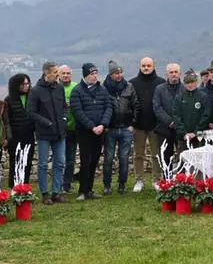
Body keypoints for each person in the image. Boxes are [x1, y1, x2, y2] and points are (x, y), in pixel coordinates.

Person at [70, 63, 112, 201]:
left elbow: (108, 107)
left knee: (94, 160)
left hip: (100, 131)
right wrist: (91, 126)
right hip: (85, 132)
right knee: (85, 161)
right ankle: (82, 190)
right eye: (92, 74)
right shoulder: (77, 91)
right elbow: (78, 111)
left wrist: (102, 124)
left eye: (96, 74)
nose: (94, 76)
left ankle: (90, 189)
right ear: (85, 75)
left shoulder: (102, 89)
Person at [27, 61, 68, 204]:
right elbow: (31, 112)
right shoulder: (36, 91)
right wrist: (47, 122)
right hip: (44, 133)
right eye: (55, 72)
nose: (58, 75)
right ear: (46, 73)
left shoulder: (59, 88)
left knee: (60, 163)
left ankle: (57, 191)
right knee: (43, 164)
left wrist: (64, 118)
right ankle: (45, 193)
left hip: (60, 132)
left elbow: (64, 106)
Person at [102, 61, 139, 195]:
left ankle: (122, 184)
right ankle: (107, 184)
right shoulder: (104, 88)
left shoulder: (129, 87)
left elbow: (136, 105)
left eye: (120, 72)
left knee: (124, 157)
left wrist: (133, 124)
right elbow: (102, 107)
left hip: (126, 128)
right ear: (110, 74)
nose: (119, 75)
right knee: (108, 158)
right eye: (116, 73)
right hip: (110, 128)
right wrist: (104, 125)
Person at [129, 57, 165, 192]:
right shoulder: (132, 83)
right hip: (138, 125)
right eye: (143, 65)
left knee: (156, 154)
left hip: (156, 125)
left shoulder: (161, 83)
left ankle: (156, 180)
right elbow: (130, 105)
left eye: (148, 65)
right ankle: (139, 180)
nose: (146, 68)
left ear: (153, 66)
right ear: (140, 66)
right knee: (138, 154)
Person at [4, 73, 35, 187]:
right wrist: (9, 137)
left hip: (29, 135)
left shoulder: (32, 97)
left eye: (27, 83)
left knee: (27, 162)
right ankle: (14, 186)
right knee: (15, 162)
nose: (26, 86)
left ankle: (25, 186)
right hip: (15, 137)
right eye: (23, 84)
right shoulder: (9, 100)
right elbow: (7, 121)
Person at [174, 69, 211, 153]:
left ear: (196, 82)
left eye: (192, 82)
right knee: (183, 162)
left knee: (200, 162)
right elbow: (176, 116)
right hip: (183, 138)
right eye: (187, 83)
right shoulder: (179, 98)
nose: (190, 85)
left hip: (199, 137)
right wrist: (184, 133)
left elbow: (206, 115)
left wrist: (196, 132)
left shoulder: (203, 96)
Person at [58, 65, 78, 194]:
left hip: (73, 128)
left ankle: (67, 184)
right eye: (63, 73)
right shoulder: (54, 87)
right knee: (59, 159)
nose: (65, 75)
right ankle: (57, 185)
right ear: (58, 75)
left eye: (68, 73)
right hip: (59, 129)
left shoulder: (76, 87)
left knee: (70, 159)